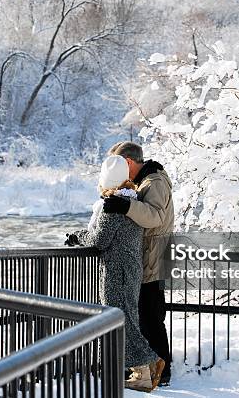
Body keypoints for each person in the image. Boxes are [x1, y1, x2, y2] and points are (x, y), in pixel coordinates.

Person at [66, 155, 165, 392]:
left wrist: (78, 236)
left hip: (115, 271)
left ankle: (147, 363)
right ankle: (144, 368)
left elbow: (99, 240)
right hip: (129, 269)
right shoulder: (132, 200)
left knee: (120, 319)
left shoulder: (113, 205)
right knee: (126, 317)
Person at [103, 141, 174, 386]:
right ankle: (153, 370)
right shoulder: (147, 180)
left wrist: (125, 206)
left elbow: (154, 217)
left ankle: (161, 372)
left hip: (152, 259)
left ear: (129, 163)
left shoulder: (154, 182)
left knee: (150, 318)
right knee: (145, 316)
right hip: (150, 257)